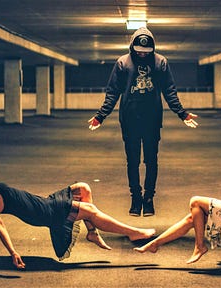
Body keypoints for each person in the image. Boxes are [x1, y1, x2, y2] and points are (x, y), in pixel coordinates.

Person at [88, 27, 198, 217]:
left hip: (152, 119)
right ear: (132, 45)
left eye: (146, 52)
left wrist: (182, 114)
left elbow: (169, 91)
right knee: (132, 161)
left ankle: (148, 199)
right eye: (139, 50)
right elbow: (113, 92)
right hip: (129, 120)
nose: (142, 54)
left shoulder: (161, 62)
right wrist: (100, 116)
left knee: (151, 161)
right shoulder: (123, 62)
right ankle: (135, 198)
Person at [0, 182, 155, 269]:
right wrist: (13, 252)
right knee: (90, 210)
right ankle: (133, 232)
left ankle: (92, 232)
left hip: (45, 202)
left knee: (84, 188)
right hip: (46, 213)